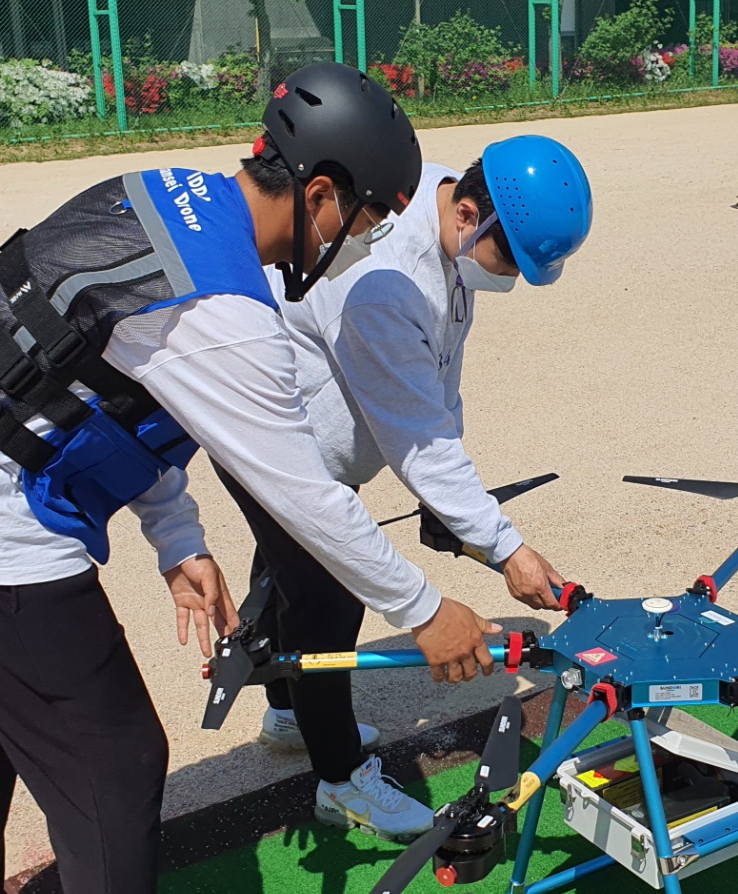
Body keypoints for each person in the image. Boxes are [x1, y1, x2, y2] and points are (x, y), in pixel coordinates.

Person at [0, 62, 501, 894]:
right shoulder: (228, 307)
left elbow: (111, 377)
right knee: (113, 754)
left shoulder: (168, 197)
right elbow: (302, 493)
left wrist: (176, 542)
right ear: (320, 194)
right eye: (364, 224)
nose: (358, 246)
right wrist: (423, 609)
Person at [223, 136, 593, 839]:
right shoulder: (386, 280)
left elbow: (437, 380)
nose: (512, 276)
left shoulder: (446, 223)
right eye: (509, 256)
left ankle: (285, 707)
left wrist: (453, 513)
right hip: (274, 442)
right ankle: (340, 782)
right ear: (468, 213)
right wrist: (506, 548)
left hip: (304, 443)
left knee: (291, 568)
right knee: (332, 594)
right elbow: (415, 437)